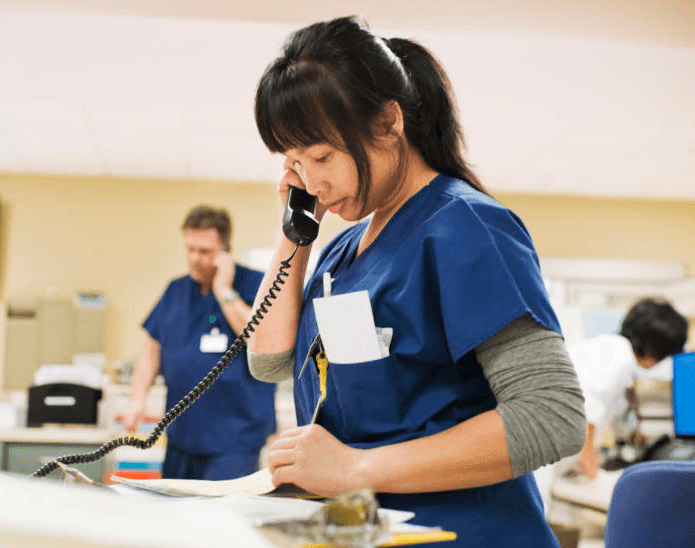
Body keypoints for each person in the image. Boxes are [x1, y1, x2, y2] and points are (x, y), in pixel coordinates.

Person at [246, 16, 586, 547]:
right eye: (293, 162)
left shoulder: (464, 226)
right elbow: (267, 360)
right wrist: (296, 233)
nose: (311, 181)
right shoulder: (341, 252)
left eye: (322, 156)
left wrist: (354, 468)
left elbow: (550, 415)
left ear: (388, 123)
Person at [115, 205, 276, 480]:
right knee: (175, 518)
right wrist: (137, 398)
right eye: (190, 249)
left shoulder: (255, 284)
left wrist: (223, 290)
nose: (194, 259)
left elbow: (261, 340)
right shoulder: (176, 290)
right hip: (181, 438)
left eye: (204, 252)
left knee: (219, 520)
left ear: (226, 251)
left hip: (234, 443)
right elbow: (152, 348)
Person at [570, 298, 689, 479]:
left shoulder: (612, 350)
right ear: (655, 347)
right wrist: (593, 477)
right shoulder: (618, 357)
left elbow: (617, 414)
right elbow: (584, 422)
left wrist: (638, 436)